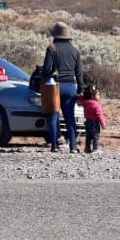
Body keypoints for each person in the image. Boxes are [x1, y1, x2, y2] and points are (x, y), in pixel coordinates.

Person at [41, 21, 83, 153]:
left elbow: (47, 69)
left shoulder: (52, 48)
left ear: (56, 35)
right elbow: (79, 72)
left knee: (53, 117)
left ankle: (54, 145)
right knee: (69, 117)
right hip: (71, 86)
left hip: (55, 86)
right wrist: (80, 88)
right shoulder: (75, 51)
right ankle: (73, 146)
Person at [79, 86, 106, 154]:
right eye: (98, 94)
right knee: (95, 136)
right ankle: (95, 149)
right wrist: (103, 124)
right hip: (95, 123)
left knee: (88, 136)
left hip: (87, 122)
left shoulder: (85, 102)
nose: (99, 96)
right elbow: (99, 115)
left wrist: (81, 94)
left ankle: (87, 148)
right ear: (93, 96)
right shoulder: (96, 105)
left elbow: (80, 97)